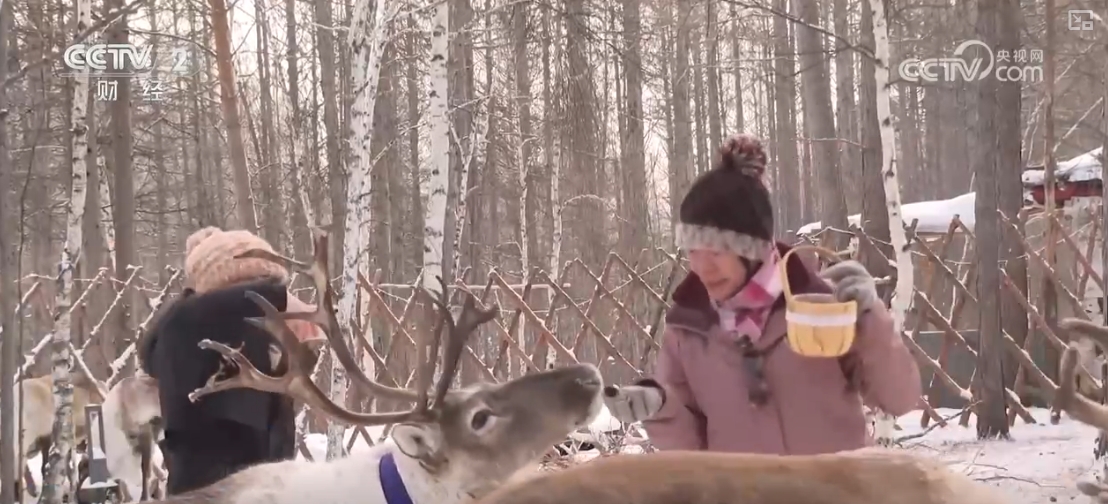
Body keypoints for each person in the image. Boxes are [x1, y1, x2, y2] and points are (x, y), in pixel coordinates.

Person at [603, 134, 921, 455]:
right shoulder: (687, 330)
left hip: (835, 493)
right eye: (693, 252)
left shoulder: (821, 306)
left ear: (753, 250)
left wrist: (871, 320)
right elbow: (692, 453)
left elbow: (899, 398)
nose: (703, 268)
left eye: (717, 252)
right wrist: (660, 408)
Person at [139, 226, 322, 495]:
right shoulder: (185, 330)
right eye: (257, 285)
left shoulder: (254, 350)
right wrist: (280, 299)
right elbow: (211, 311)